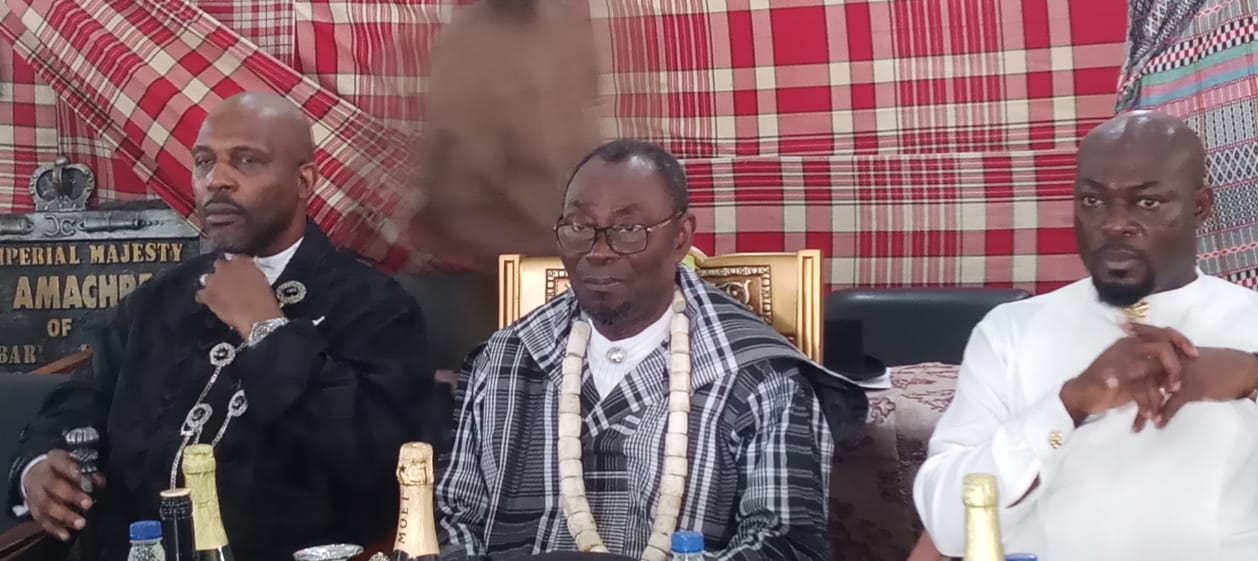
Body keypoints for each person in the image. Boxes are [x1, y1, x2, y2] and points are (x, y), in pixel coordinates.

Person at [6, 93, 438, 561]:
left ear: (304, 181)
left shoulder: (375, 307)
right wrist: (38, 465)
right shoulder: (160, 298)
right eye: (204, 162)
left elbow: (372, 459)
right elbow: (82, 398)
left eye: (247, 160)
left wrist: (265, 329)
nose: (216, 180)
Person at [435, 139, 866, 561]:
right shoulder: (503, 359)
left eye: (628, 230)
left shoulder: (760, 376)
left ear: (680, 237)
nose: (599, 252)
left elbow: (786, 545)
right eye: (580, 227)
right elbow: (452, 517)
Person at [913, 110, 1258, 561]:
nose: (1114, 223)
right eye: (1092, 200)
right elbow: (949, 526)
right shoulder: (1011, 332)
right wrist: (1067, 405)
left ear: (1199, 207)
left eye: (1147, 202)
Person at [412, 0, 601, 273]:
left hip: (559, 226)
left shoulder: (566, 25)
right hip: (485, 237)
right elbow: (461, 173)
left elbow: (583, 119)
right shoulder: (465, 41)